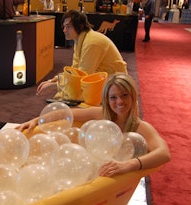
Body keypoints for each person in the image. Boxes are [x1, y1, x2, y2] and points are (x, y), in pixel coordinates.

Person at [17, 73, 171, 177]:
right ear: (106, 99)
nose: (119, 102)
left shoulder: (140, 127)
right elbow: (67, 113)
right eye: (113, 97)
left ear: (133, 96)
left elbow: (164, 153)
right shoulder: (102, 114)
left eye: (125, 95)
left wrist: (128, 165)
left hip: (111, 175)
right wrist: (37, 120)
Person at [36, 10, 127, 95]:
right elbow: (75, 69)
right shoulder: (80, 40)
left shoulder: (92, 42)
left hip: (116, 85)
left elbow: (83, 75)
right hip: (103, 79)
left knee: (70, 99)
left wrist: (56, 86)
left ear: (80, 26)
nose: (64, 30)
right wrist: (54, 80)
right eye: (64, 27)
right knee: (66, 95)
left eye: (68, 26)